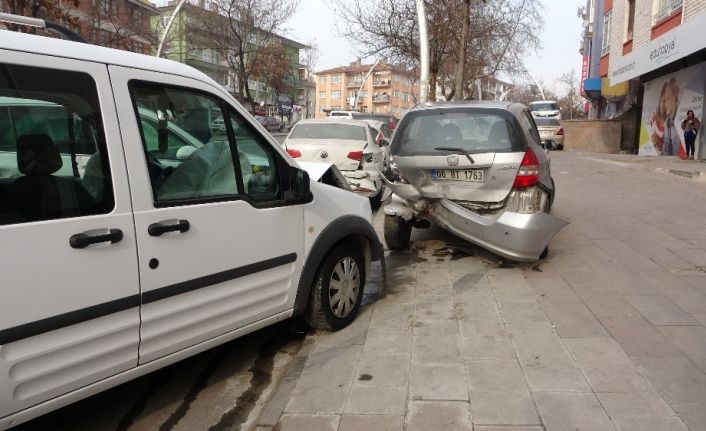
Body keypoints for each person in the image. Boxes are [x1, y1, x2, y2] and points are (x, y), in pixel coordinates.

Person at [649, 78, 681, 156]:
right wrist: (658, 145)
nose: (665, 104)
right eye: (663, 100)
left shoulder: (680, 123)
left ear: (675, 97)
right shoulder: (667, 123)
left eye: (668, 98)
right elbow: (665, 152)